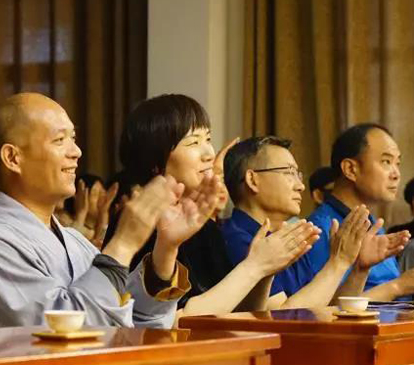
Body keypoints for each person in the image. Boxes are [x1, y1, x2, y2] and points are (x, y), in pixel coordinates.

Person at [0, 92, 225, 329]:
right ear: (13, 158)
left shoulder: (74, 241)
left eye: (73, 138)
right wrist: (123, 243)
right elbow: (62, 336)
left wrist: (165, 249)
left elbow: (138, 325)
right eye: (59, 140)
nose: (76, 152)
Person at [105, 94, 319, 315]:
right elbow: (175, 318)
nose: (209, 153)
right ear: (154, 159)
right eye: (194, 142)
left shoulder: (206, 228)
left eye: (207, 139)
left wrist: (265, 271)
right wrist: (255, 266)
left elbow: (238, 313)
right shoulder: (138, 224)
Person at [223, 136, 412, 307]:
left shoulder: (287, 238)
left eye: (298, 175)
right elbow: (282, 319)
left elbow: (328, 310)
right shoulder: (239, 239)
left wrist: (359, 269)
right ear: (252, 180)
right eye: (288, 172)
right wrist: (338, 262)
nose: (300, 186)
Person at [307, 124, 411, 298]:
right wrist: (398, 286)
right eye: (386, 162)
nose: (396, 174)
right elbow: (326, 307)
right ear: (350, 169)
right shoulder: (320, 229)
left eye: (397, 163)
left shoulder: (372, 223)